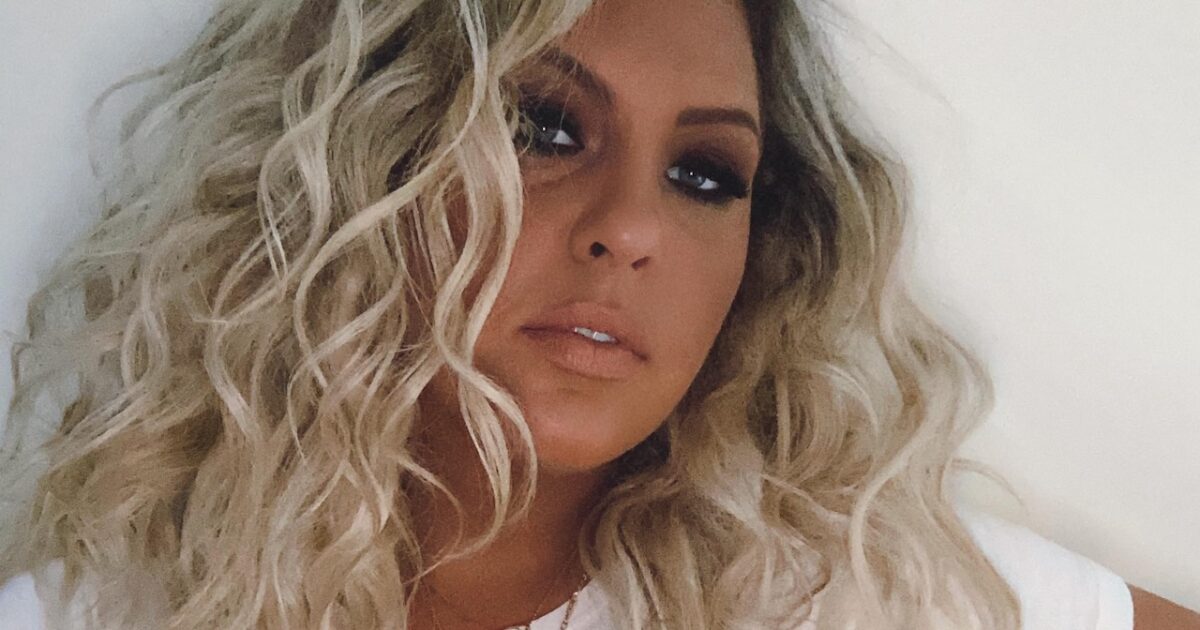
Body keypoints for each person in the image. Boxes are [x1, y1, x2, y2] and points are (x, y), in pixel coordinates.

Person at [0, 0, 1196, 628]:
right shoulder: (95, 614)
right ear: (370, 164)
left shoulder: (855, 590)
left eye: (705, 176)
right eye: (544, 128)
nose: (631, 227)